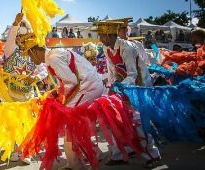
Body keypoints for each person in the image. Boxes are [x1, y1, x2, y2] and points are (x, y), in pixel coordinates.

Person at [23, 36, 105, 170]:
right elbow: (67, 80)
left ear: (36, 51)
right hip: (87, 85)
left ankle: (78, 164)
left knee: (70, 124)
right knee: (73, 124)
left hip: (87, 87)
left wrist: (60, 99)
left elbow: (71, 82)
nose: (30, 59)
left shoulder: (53, 58)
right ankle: (91, 156)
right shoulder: (52, 56)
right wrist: (57, 93)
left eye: (29, 55)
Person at [93, 21, 161, 168]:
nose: (99, 39)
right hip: (123, 87)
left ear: (108, 35)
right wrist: (110, 87)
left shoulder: (127, 48)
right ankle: (121, 153)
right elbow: (113, 71)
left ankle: (152, 155)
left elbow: (133, 73)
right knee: (113, 117)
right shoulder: (106, 48)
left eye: (101, 36)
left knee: (139, 121)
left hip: (139, 86)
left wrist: (120, 86)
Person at [4, 13, 48, 165]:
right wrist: (16, 23)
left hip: (28, 95)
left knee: (27, 124)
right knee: (13, 124)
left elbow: (44, 70)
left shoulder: (32, 52)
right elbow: (10, 38)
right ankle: (15, 150)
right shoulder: (10, 49)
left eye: (26, 35)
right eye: (18, 36)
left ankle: (26, 152)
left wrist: (35, 78)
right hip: (10, 95)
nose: (21, 39)